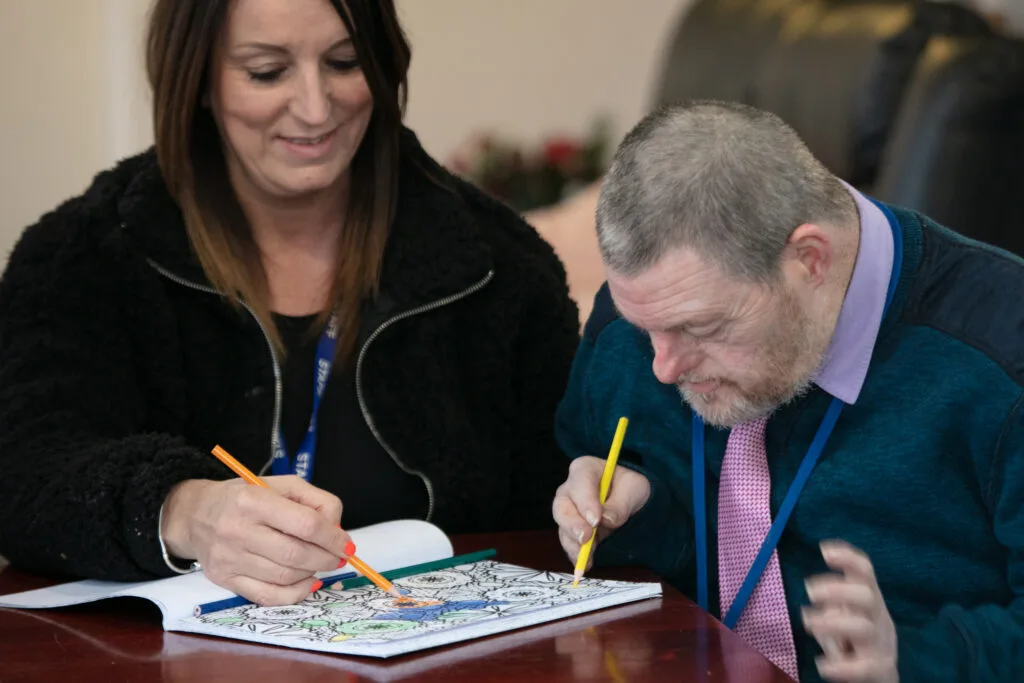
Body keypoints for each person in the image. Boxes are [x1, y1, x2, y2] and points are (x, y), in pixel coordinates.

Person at [0, 0, 579, 607]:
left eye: (345, 62)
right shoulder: (85, 254)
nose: (314, 108)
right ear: (197, 79)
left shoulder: (496, 265)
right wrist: (180, 510)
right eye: (267, 72)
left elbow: (561, 506)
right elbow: (24, 473)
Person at [552, 101, 1024, 682]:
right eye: (644, 327)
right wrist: (634, 514)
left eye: (702, 328)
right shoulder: (643, 318)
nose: (664, 368)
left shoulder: (1003, 356)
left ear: (810, 259)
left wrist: (917, 663)